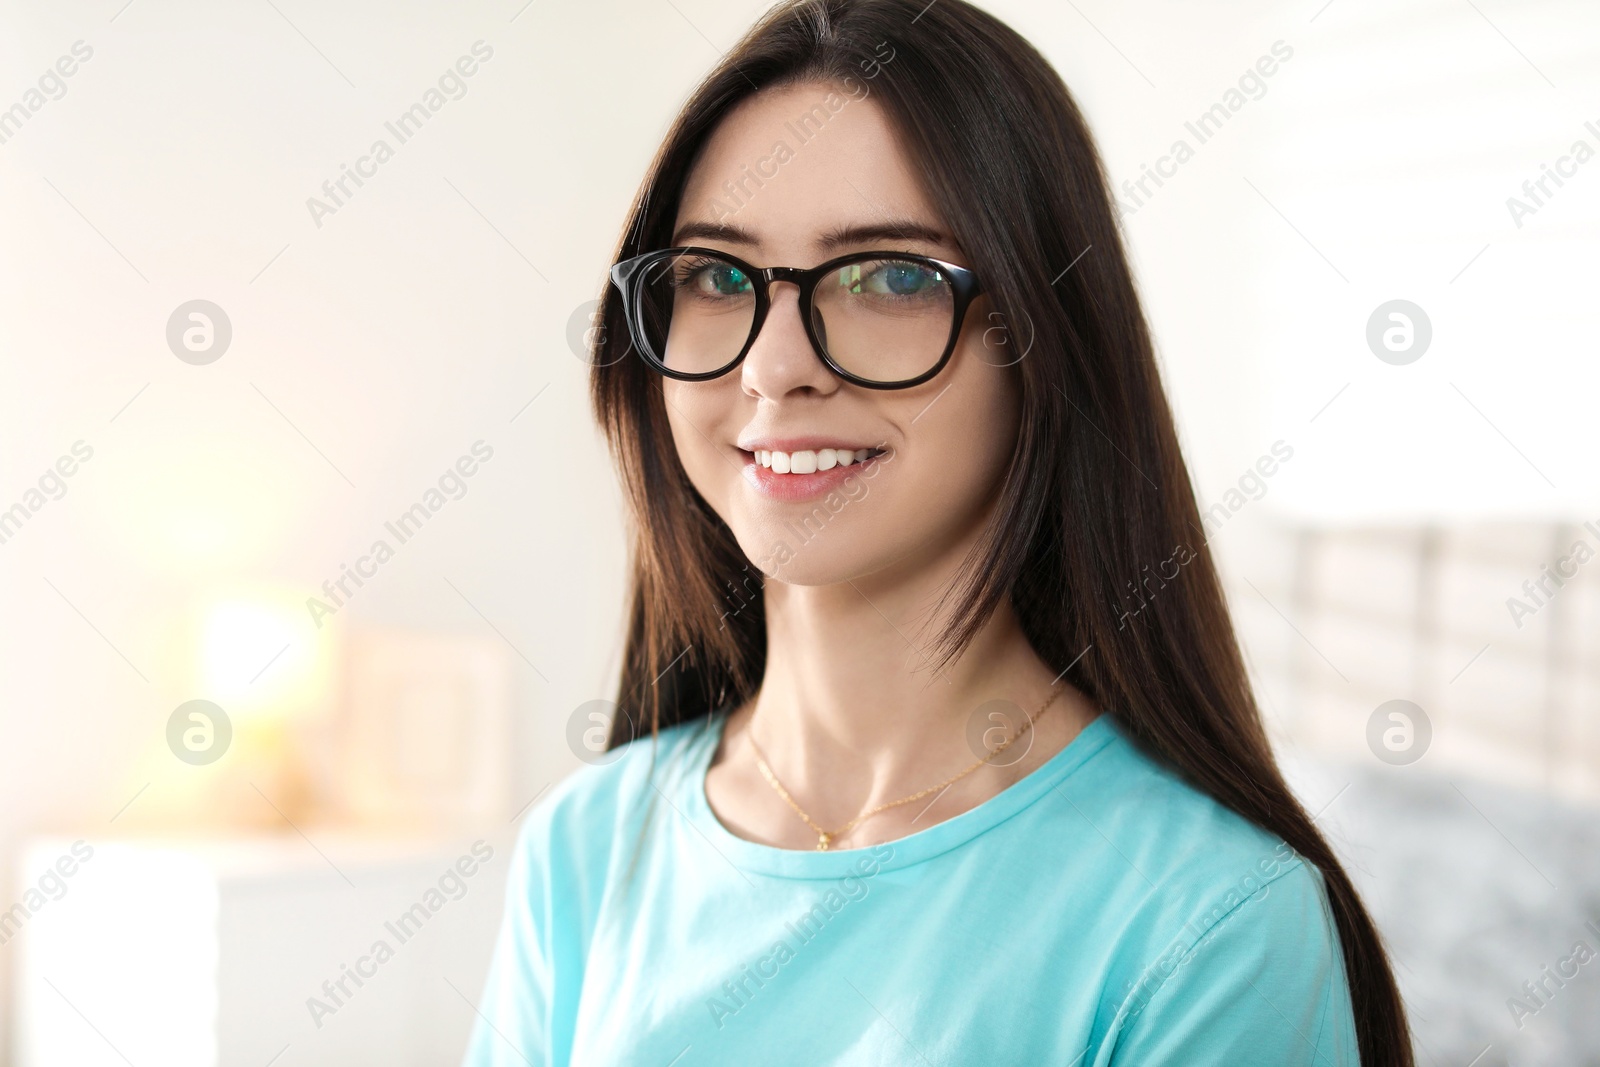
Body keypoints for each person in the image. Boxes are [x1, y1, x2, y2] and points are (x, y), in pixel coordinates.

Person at [463, 0, 1413, 1063]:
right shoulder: (583, 848)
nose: (776, 367)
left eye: (891, 276)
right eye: (717, 277)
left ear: (1045, 337)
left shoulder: (1210, 922)